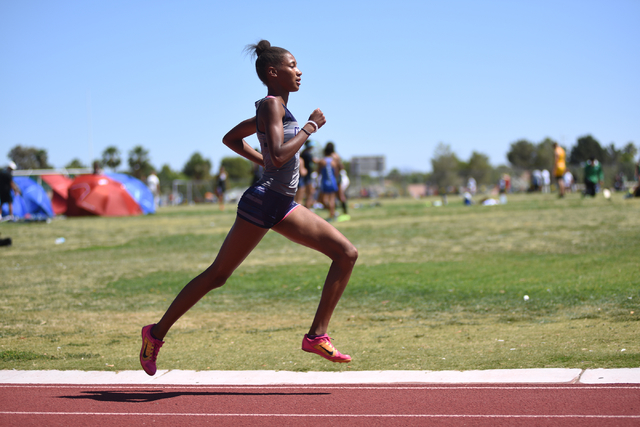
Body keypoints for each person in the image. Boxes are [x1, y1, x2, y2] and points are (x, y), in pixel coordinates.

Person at [139, 40, 358, 376]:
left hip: (280, 203)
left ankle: (317, 336)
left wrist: (266, 161)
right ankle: (155, 334)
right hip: (264, 201)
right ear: (273, 72)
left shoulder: (275, 108)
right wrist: (310, 128)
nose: (299, 71)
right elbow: (281, 155)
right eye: (293, 65)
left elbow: (234, 140)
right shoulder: (272, 105)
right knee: (217, 276)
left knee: (345, 253)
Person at [317, 142, 341, 220]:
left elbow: (318, 171)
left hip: (325, 182)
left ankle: (331, 214)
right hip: (333, 181)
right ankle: (332, 214)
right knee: (331, 199)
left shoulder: (322, 161)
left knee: (323, 200)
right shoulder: (334, 161)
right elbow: (336, 173)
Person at [295, 140, 316, 207]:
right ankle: (307, 209)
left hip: (299, 179)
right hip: (304, 178)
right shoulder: (305, 156)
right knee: (306, 195)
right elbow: (303, 172)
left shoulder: (304, 154)